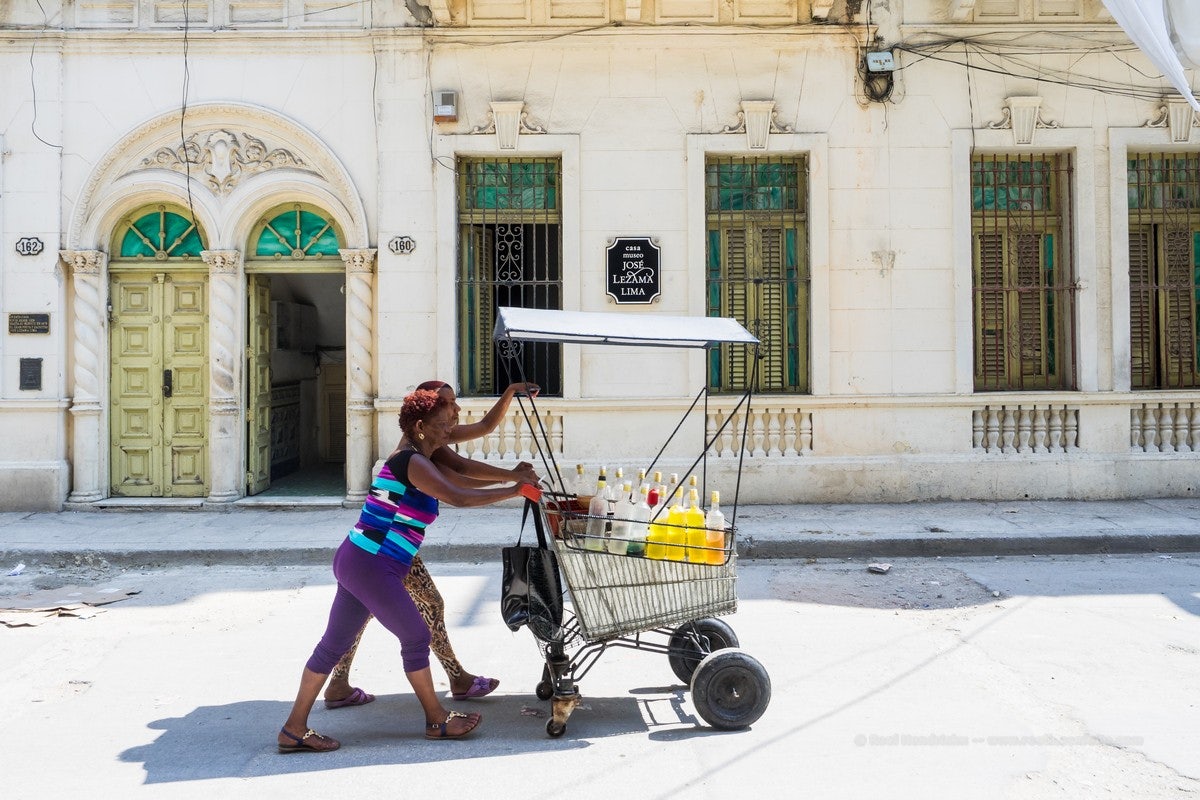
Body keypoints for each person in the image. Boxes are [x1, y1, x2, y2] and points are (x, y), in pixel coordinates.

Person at [277, 387, 540, 752]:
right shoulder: (412, 461)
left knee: (332, 647)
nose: (454, 422)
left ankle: (294, 729)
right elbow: (460, 496)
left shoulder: (423, 459)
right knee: (416, 636)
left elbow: (459, 481)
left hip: (358, 557)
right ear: (420, 426)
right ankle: (437, 719)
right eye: (446, 416)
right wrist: (514, 490)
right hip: (373, 563)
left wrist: (511, 481)